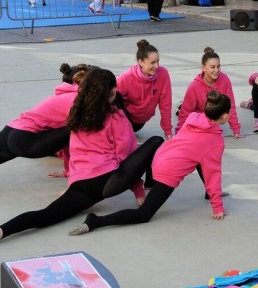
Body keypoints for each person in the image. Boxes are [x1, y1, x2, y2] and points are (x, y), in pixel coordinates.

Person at [0, 68, 164, 241]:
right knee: (155, 141)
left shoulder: (75, 116)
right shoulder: (117, 117)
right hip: (109, 182)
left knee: (45, 216)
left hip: (81, 186)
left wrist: (70, 177)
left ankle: (3, 230)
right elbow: (127, 155)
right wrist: (138, 189)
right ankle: (151, 184)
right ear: (113, 92)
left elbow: (72, 151)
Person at [68, 91, 231, 236]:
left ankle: (207, 193)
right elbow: (213, 174)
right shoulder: (214, 142)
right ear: (224, 116)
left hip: (160, 157)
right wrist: (217, 206)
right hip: (168, 170)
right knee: (144, 214)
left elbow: (197, 156)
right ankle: (96, 221)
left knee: (201, 158)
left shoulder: (194, 117)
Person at [0, 64, 89, 168]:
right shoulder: (77, 99)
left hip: (12, 129)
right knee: (83, 124)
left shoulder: (60, 95)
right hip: (27, 139)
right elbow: (76, 138)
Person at [176, 47, 241, 139]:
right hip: (200, 117)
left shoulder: (225, 80)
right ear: (203, 67)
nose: (216, 70)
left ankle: (180, 106)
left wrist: (236, 129)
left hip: (214, 117)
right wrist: (178, 133)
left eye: (218, 66)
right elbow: (185, 112)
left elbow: (231, 105)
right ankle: (180, 106)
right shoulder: (194, 86)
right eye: (212, 67)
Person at [114, 39, 173, 139]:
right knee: (113, 95)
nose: (157, 66)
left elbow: (166, 105)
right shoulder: (126, 77)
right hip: (124, 119)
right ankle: (113, 131)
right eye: (152, 62)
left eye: (158, 61)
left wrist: (168, 132)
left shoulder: (163, 74)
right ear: (140, 62)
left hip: (138, 123)